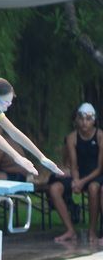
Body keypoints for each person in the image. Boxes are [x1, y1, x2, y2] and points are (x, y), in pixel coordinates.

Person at [42, 103, 103, 246]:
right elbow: (73, 164)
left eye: (88, 119)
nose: (84, 122)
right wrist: (76, 180)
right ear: (76, 119)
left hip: (96, 175)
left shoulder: (100, 136)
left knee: (94, 188)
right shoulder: (72, 137)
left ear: (94, 120)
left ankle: (92, 230)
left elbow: (100, 168)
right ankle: (70, 230)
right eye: (81, 118)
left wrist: (82, 182)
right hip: (79, 174)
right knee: (54, 188)